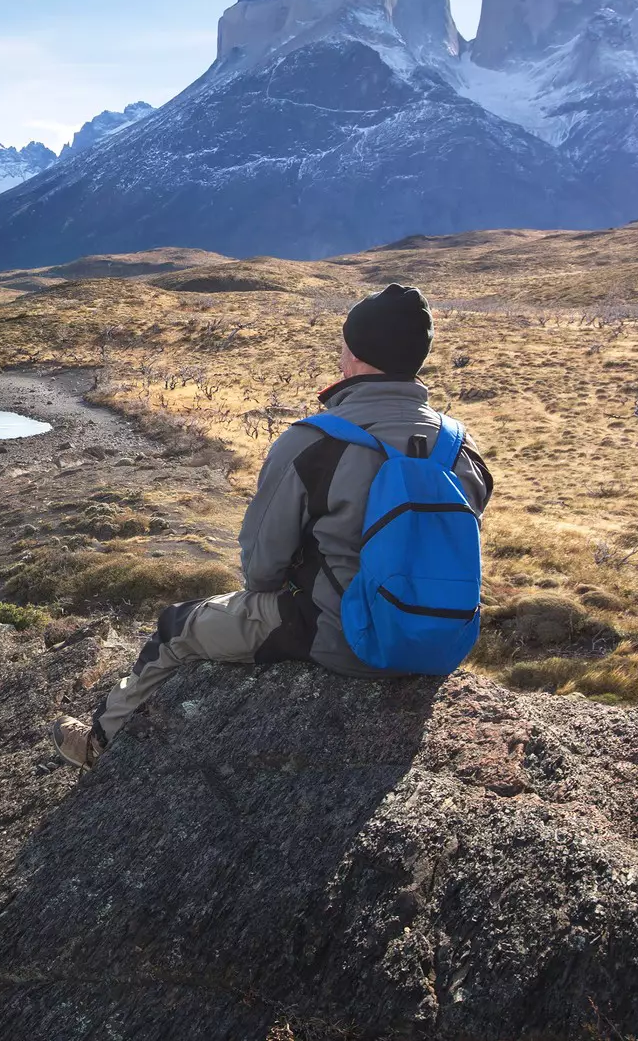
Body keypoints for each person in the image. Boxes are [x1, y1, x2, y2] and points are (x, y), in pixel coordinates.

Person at [53, 283, 493, 769]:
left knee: (176, 628)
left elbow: (262, 564)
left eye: (345, 345)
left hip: (339, 637)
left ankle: (99, 744)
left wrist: (276, 594)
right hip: (440, 641)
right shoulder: (458, 446)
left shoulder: (316, 441)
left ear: (357, 354)